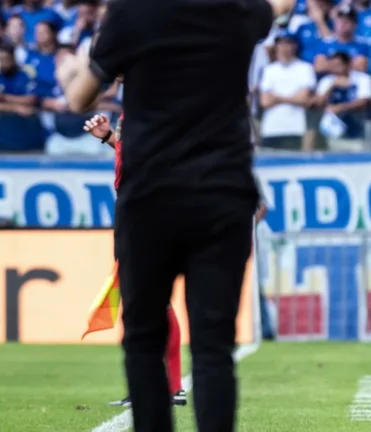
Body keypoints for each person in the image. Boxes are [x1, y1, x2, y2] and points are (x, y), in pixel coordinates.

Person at [54, 0, 295, 430]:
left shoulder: (131, 13)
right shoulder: (236, 10)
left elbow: (77, 97)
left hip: (150, 197)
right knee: (213, 350)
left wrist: (70, 61)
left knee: (143, 344)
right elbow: (282, 5)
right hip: (223, 196)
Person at [83, 111, 186, 408]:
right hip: (133, 206)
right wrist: (109, 139)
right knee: (140, 300)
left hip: (147, 208)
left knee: (148, 300)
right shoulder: (138, 104)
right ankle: (159, 386)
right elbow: (133, 153)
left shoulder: (160, 103)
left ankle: (171, 387)